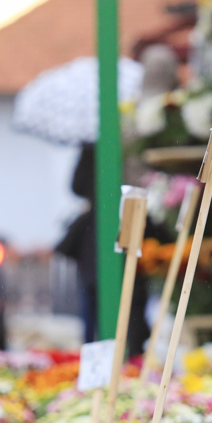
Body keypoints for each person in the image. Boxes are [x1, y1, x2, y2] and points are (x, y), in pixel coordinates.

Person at [55, 144, 159, 357]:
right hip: (98, 256)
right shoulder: (103, 147)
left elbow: (78, 186)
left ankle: (119, 364)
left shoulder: (102, 148)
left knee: (113, 322)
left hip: (104, 254)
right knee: (110, 321)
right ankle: (114, 365)